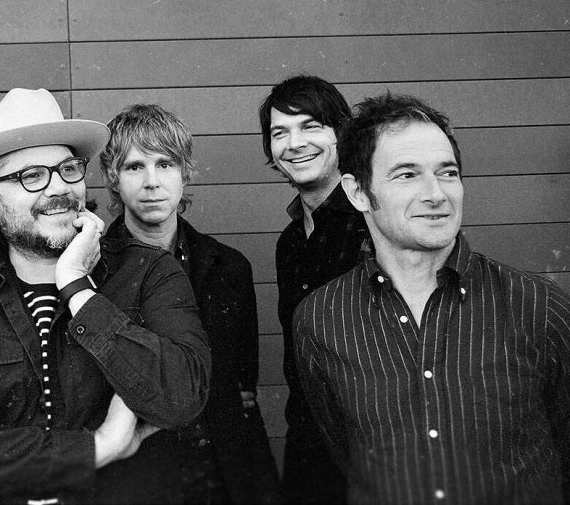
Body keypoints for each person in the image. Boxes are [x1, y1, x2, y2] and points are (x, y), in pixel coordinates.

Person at [0, 88, 211, 504]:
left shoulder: (148, 271)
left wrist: (77, 288)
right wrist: (97, 447)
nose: (59, 188)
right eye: (32, 176)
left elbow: (182, 398)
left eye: (68, 169)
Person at [294, 93, 570, 504]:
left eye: (448, 173)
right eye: (407, 174)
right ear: (357, 192)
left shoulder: (537, 305)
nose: (436, 193)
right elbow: (341, 452)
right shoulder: (321, 319)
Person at [100, 103, 280, 503]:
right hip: (133, 481)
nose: (152, 182)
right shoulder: (92, 270)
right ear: (113, 177)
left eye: (165, 164)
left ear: (185, 173)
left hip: (220, 477)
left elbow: (240, 388)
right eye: (134, 166)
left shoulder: (228, 267)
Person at [258, 75, 368, 503]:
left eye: (310, 126)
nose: (295, 143)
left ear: (341, 132)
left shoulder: (373, 224)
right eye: (279, 132)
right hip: (308, 456)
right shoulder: (289, 243)